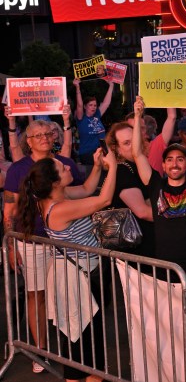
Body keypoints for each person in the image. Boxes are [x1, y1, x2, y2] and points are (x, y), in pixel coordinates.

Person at [17, 148, 117, 382]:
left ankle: (88, 375)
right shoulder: (60, 209)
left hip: (78, 272)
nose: (69, 167)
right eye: (63, 169)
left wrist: (96, 167)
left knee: (82, 336)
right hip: (77, 277)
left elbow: (86, 189)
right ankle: (87, 376)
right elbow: (104, 199)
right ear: (54, 182)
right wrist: (112, 167)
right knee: (82, 337)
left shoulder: (56, 198)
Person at [3, 119, 89, 374]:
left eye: (47, 134)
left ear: (54, 138)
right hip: (32, 241)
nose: (43, 138)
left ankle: (73, 348)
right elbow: (9, 210)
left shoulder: (67, 164)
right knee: (36, 294)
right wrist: (10, 245)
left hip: (64, 241)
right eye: (37, 135)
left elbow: (82, 194)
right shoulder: (17, 169)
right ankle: (41, 349)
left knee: (68, 294)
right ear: (28, 141)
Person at [132, 96, 186, 281]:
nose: (175, 164)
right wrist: (139, 116)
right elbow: (137, 154)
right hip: (165, 268)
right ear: (163, 166)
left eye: (180, 159)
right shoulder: (156, 185)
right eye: (169, 160)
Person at [105, 121, 155, 258]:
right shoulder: (122, 170)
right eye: (127, 143)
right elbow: (142, 211)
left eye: (135, 140)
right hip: (137, 248)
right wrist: (175, 218)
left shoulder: (139, 166)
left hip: (145, 243)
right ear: (117, 149)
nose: (133, 145)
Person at [74, 78, 114, 168]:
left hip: (102, 152)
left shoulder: (97, 115)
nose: (93, 107)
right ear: (85, 106)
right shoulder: (81, 118)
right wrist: (77, 87)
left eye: (95, 105)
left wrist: (111, 86)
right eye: (90, 105)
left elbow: (106, 103)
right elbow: (79, 105)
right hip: (87, 153)